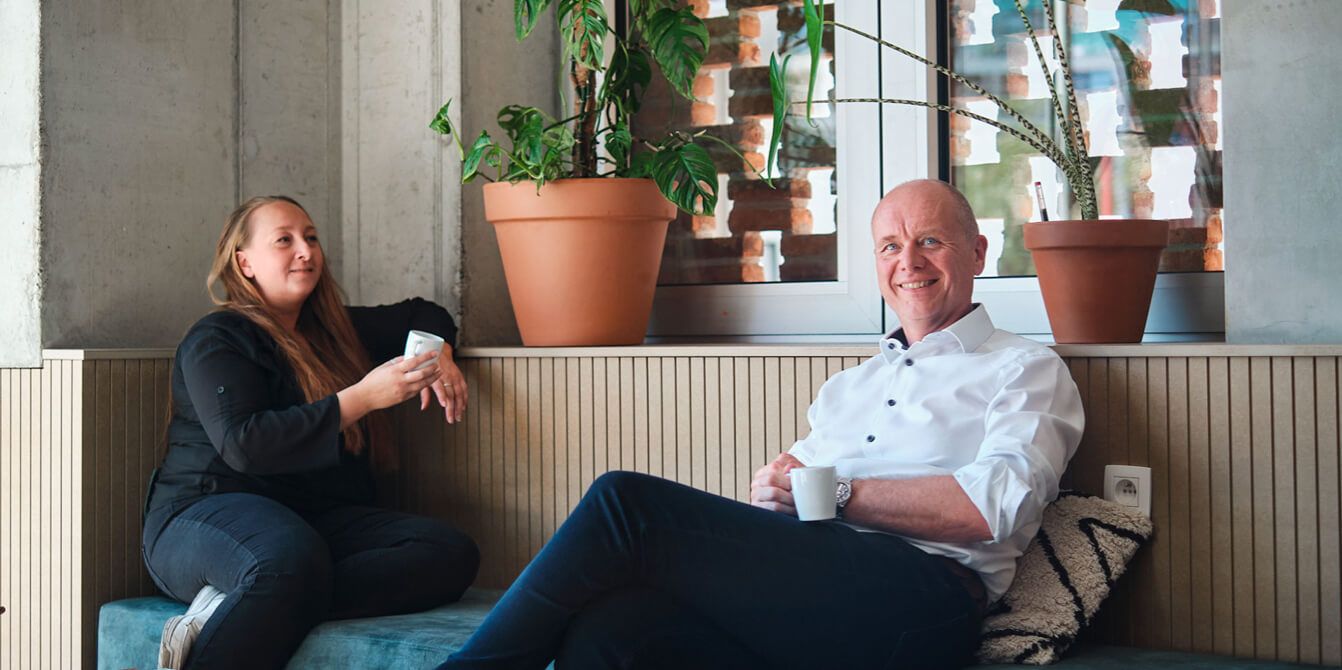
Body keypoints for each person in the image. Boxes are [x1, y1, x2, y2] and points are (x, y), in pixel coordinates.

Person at [436, 179, 1085, 670]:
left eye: (930, 242)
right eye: (891, 246)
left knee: (623, 504)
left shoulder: (1024, 368)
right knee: (615, 626)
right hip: (817, 586)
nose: (908, 262)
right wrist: (776, 492)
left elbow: (996, 506)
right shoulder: (850, 387)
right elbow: (791, 499)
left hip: (922, 600)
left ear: (978, 251)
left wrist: (837, 493)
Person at [142, 195, 481, 669]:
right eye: (284, 240)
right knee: (287, 561)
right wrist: (362, 397)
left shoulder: (334, 331)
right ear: (245, 263)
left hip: (306, 519)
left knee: (447, 552)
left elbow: (422, 314)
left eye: (311, 238)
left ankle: (240, 603)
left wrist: (437, 351)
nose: (306, 251)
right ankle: (266, 590)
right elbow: (245, 444)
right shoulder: (217, 337)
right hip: (203, 515)